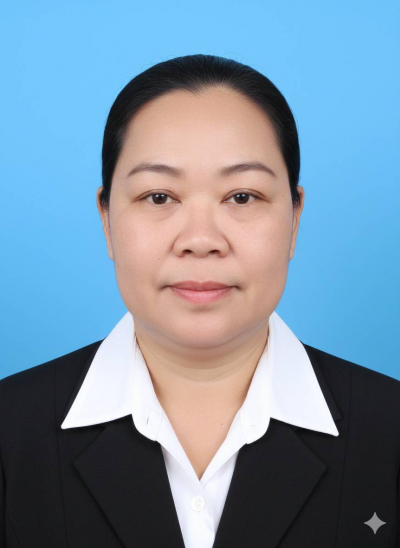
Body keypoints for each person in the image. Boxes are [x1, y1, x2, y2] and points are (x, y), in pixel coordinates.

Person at [0, 54, 399, 548]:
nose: (201, 240)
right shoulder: (10, 433)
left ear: (295, 218)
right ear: (106, 219)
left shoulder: (390, 433)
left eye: (242, 197)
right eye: (159, 197)